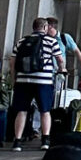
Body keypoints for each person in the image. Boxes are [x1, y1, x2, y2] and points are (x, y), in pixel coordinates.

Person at [10, 16, 62, 149]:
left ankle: (17, 141)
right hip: (43, 81)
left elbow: (12, 61)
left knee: (22, 111)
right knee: (45, 111)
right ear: (45, 27)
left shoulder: (22, 41)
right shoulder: (51, 41)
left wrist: (14, 77)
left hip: (23, 80)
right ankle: (45, 141)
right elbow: (60, 59)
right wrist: (62, 69)